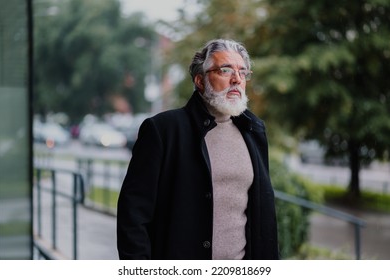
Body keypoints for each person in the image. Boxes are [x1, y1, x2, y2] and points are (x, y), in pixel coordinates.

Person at [117, 38, 279, 260]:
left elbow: (263, 217)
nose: (236, 79)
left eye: (243, 72)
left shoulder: (254, 130)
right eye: (225, 70)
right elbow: (133, 216)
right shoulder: (163, 130)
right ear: (200, 80)